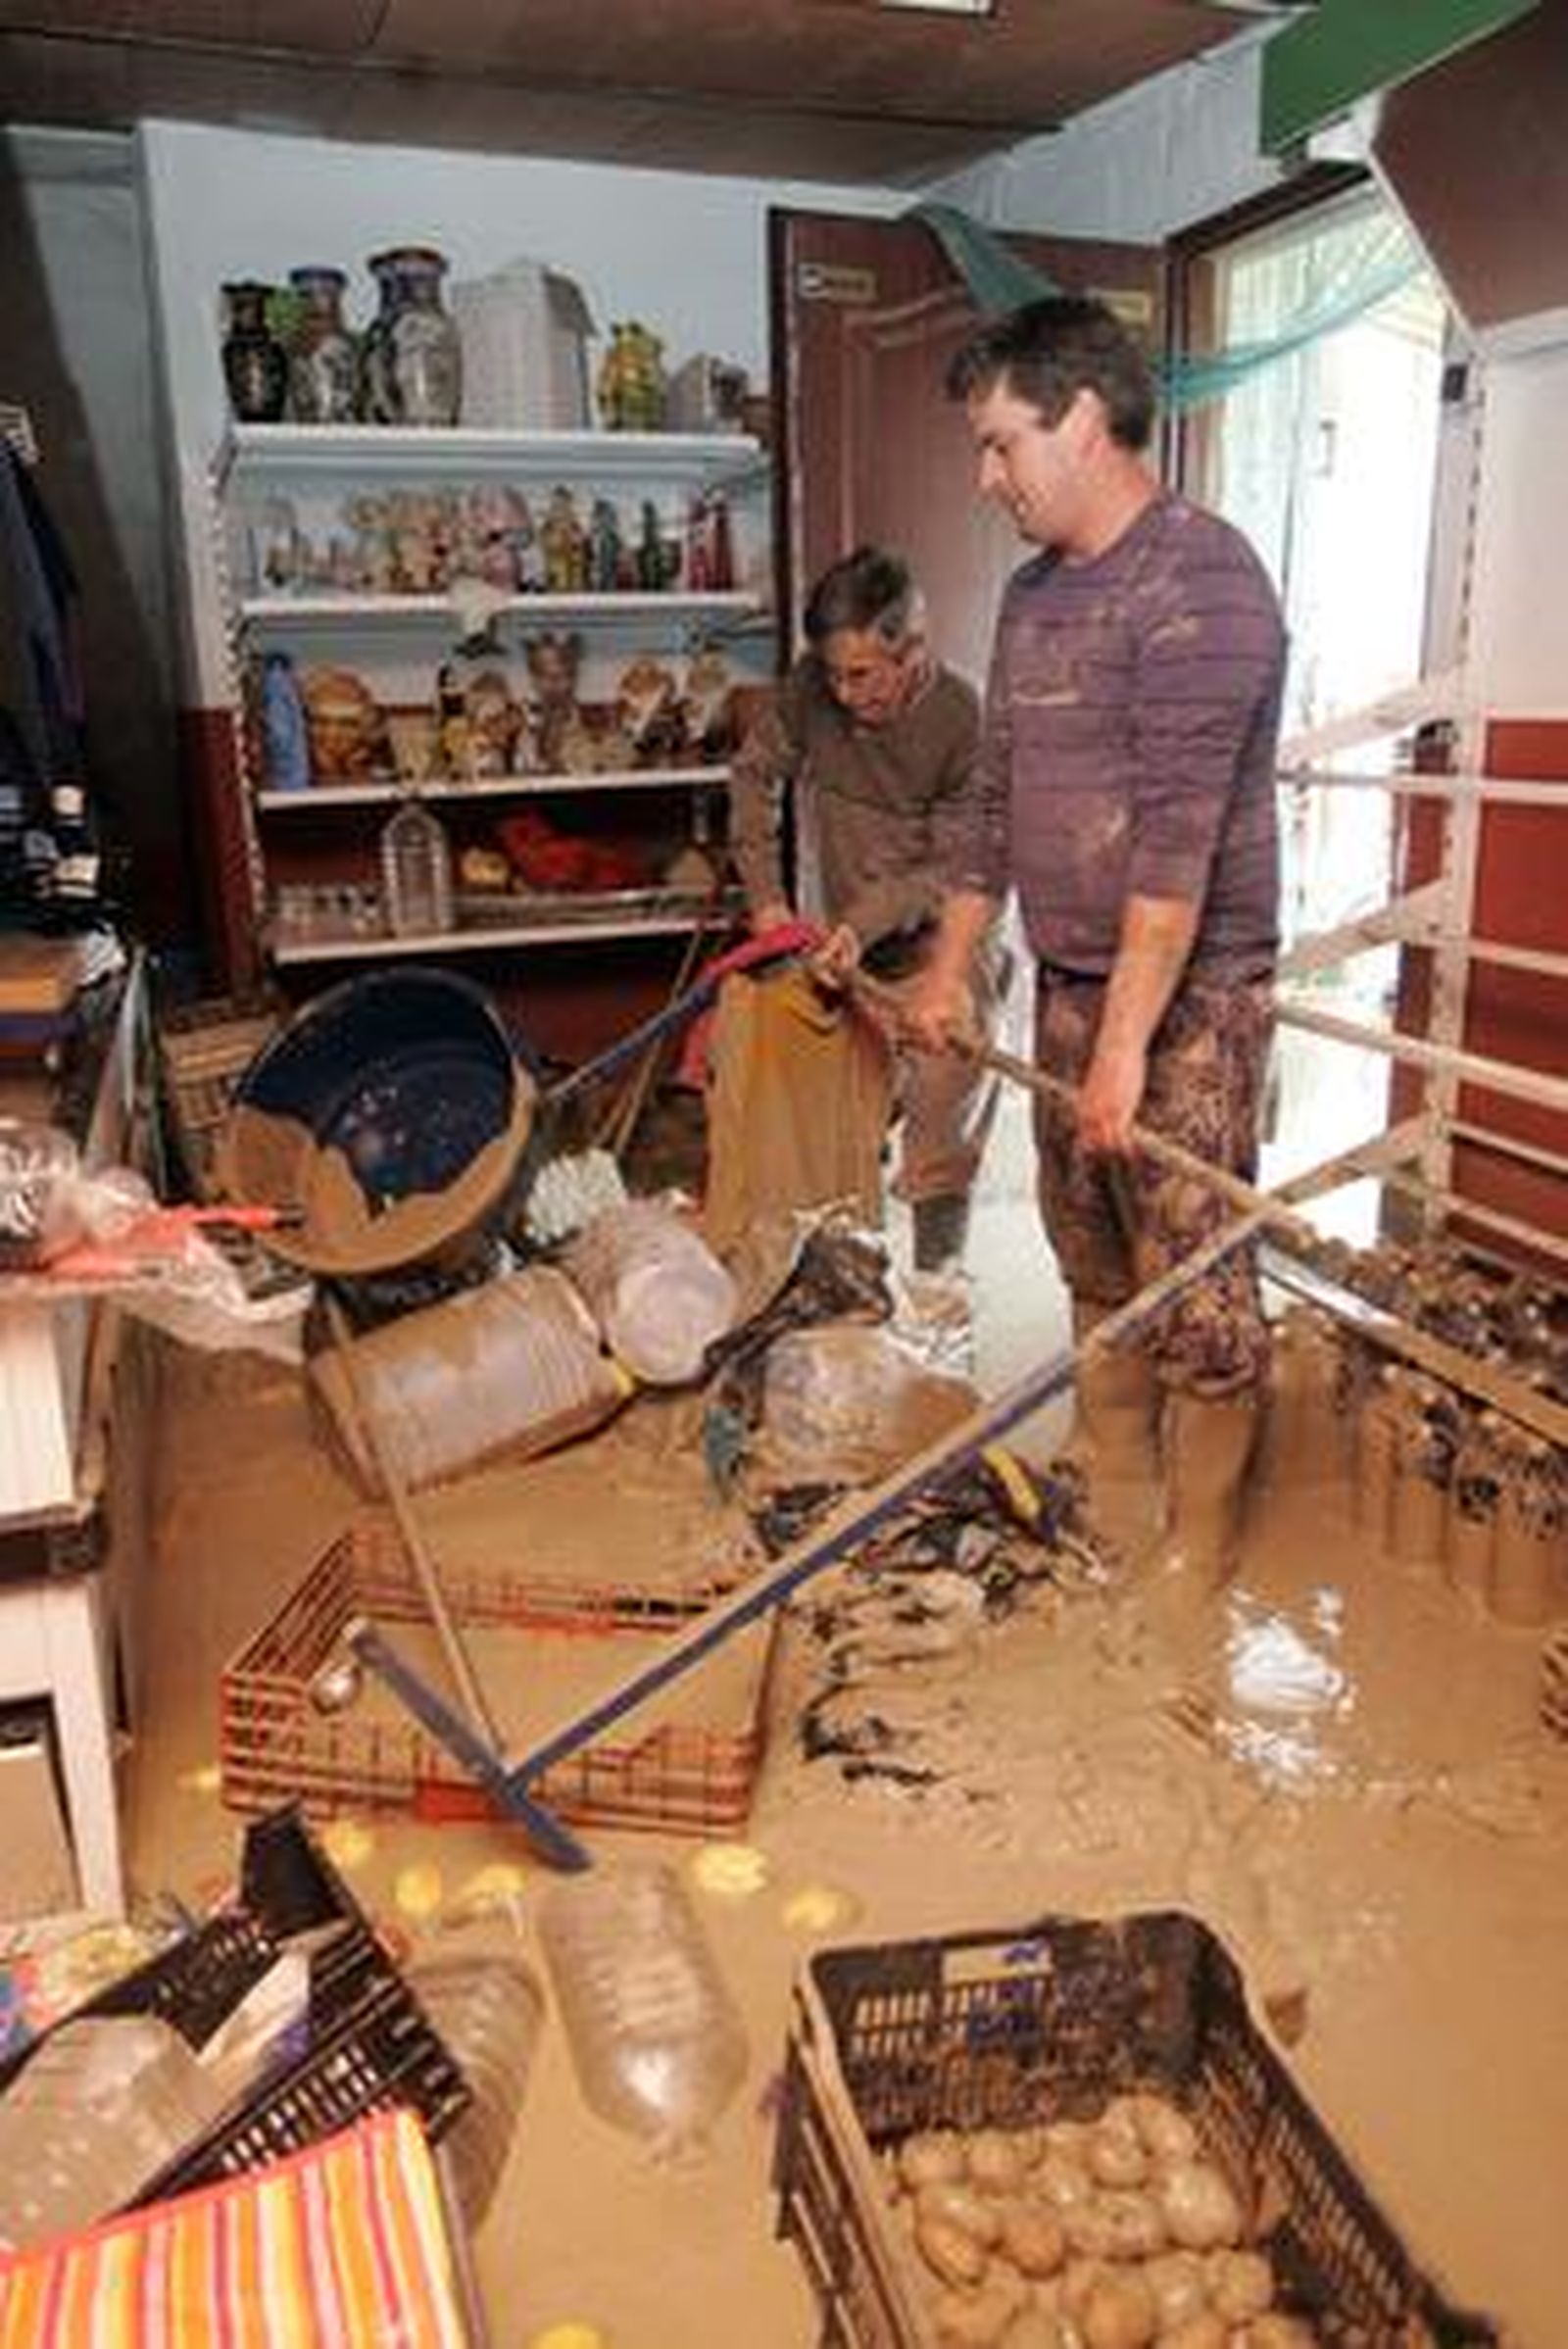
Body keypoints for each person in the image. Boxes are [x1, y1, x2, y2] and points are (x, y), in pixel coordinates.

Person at [908, 296, 1285, 1583]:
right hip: (1075, 983)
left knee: (1198, 1276)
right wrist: (952, 972)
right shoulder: (1031, 598)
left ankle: (1197, 1550)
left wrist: (1126, 1048)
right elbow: (995, 801)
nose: (986, 475)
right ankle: (1113, 1475)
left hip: (1193, 1002)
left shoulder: (1207, 580)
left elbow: (1176, 849)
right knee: (1091, 1248)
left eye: (1001, 442)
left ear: (1081, 419)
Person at [727, 545, 1004, 1271]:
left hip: (940, 944)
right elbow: (752, 776)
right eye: (832, 674)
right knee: (818, 1090)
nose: (845, 694)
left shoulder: (960, 718)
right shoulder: (813, 691)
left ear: (912, 648)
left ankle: (939, 1281)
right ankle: (844, 1269)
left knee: (945, 1079)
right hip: (847, 936)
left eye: (862, 674)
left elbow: (946, 872)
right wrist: (767, 901)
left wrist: (860, 923)